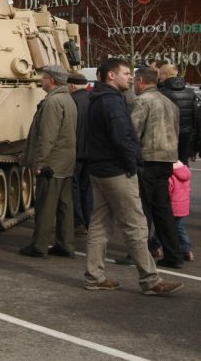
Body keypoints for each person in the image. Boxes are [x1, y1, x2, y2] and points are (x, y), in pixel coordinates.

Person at [83, 58, 182, 296]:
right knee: (136, 226)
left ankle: (94, 276)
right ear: (110, 76)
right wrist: (133, 164)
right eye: (126, 73)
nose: (130, 77)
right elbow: (122, 138)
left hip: (100, 169)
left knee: (99, 225)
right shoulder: (112, 102)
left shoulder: (98, 99)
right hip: (116, 170)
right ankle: (150, 281)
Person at [19, 65, 77, 259]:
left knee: (45, 205)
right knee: (64, 205)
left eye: (44, 78)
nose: (41, 81)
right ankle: (65, 244)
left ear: (52, 81)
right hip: (65, 161)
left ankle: (39, 245)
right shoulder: (68, 99)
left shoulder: (53, 102)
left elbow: (47, 136)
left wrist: (40, 162)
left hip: (52, 163)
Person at [130, 67, 184, 269]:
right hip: (166, 159)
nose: (133, 84)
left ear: (142, 81)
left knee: (142, 209)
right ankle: (174, 253)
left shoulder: (142, 102)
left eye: (135, 80)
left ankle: (138, 253)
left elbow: (133, 133)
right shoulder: (169, 103)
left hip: (148, 159)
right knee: (163, 210)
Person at [67, 72, 92, 237]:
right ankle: (89, 221)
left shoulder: (72, 101)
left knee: (73, 187)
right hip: (92, 152)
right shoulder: (94, 99)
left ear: (72, 86)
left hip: (75, 151)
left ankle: (78, 221)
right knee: (87, 189)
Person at [157, 63, 198, 164]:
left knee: (167, 167)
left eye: (160, 74)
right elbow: (195, 119)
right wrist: (194, 147)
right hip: (186, 135)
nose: (159, 77)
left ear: (165, 74)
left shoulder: (160, 92)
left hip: (166, 136)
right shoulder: (190, 92)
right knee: (183, 166)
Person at [170, 160, 193, 262]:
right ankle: (187, 250)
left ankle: (186, 249)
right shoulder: (185, 172)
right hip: (183, 206)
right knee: (179, 227)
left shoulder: (171, 175)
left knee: (165, 227)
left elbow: (168, 190)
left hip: (172, 206)